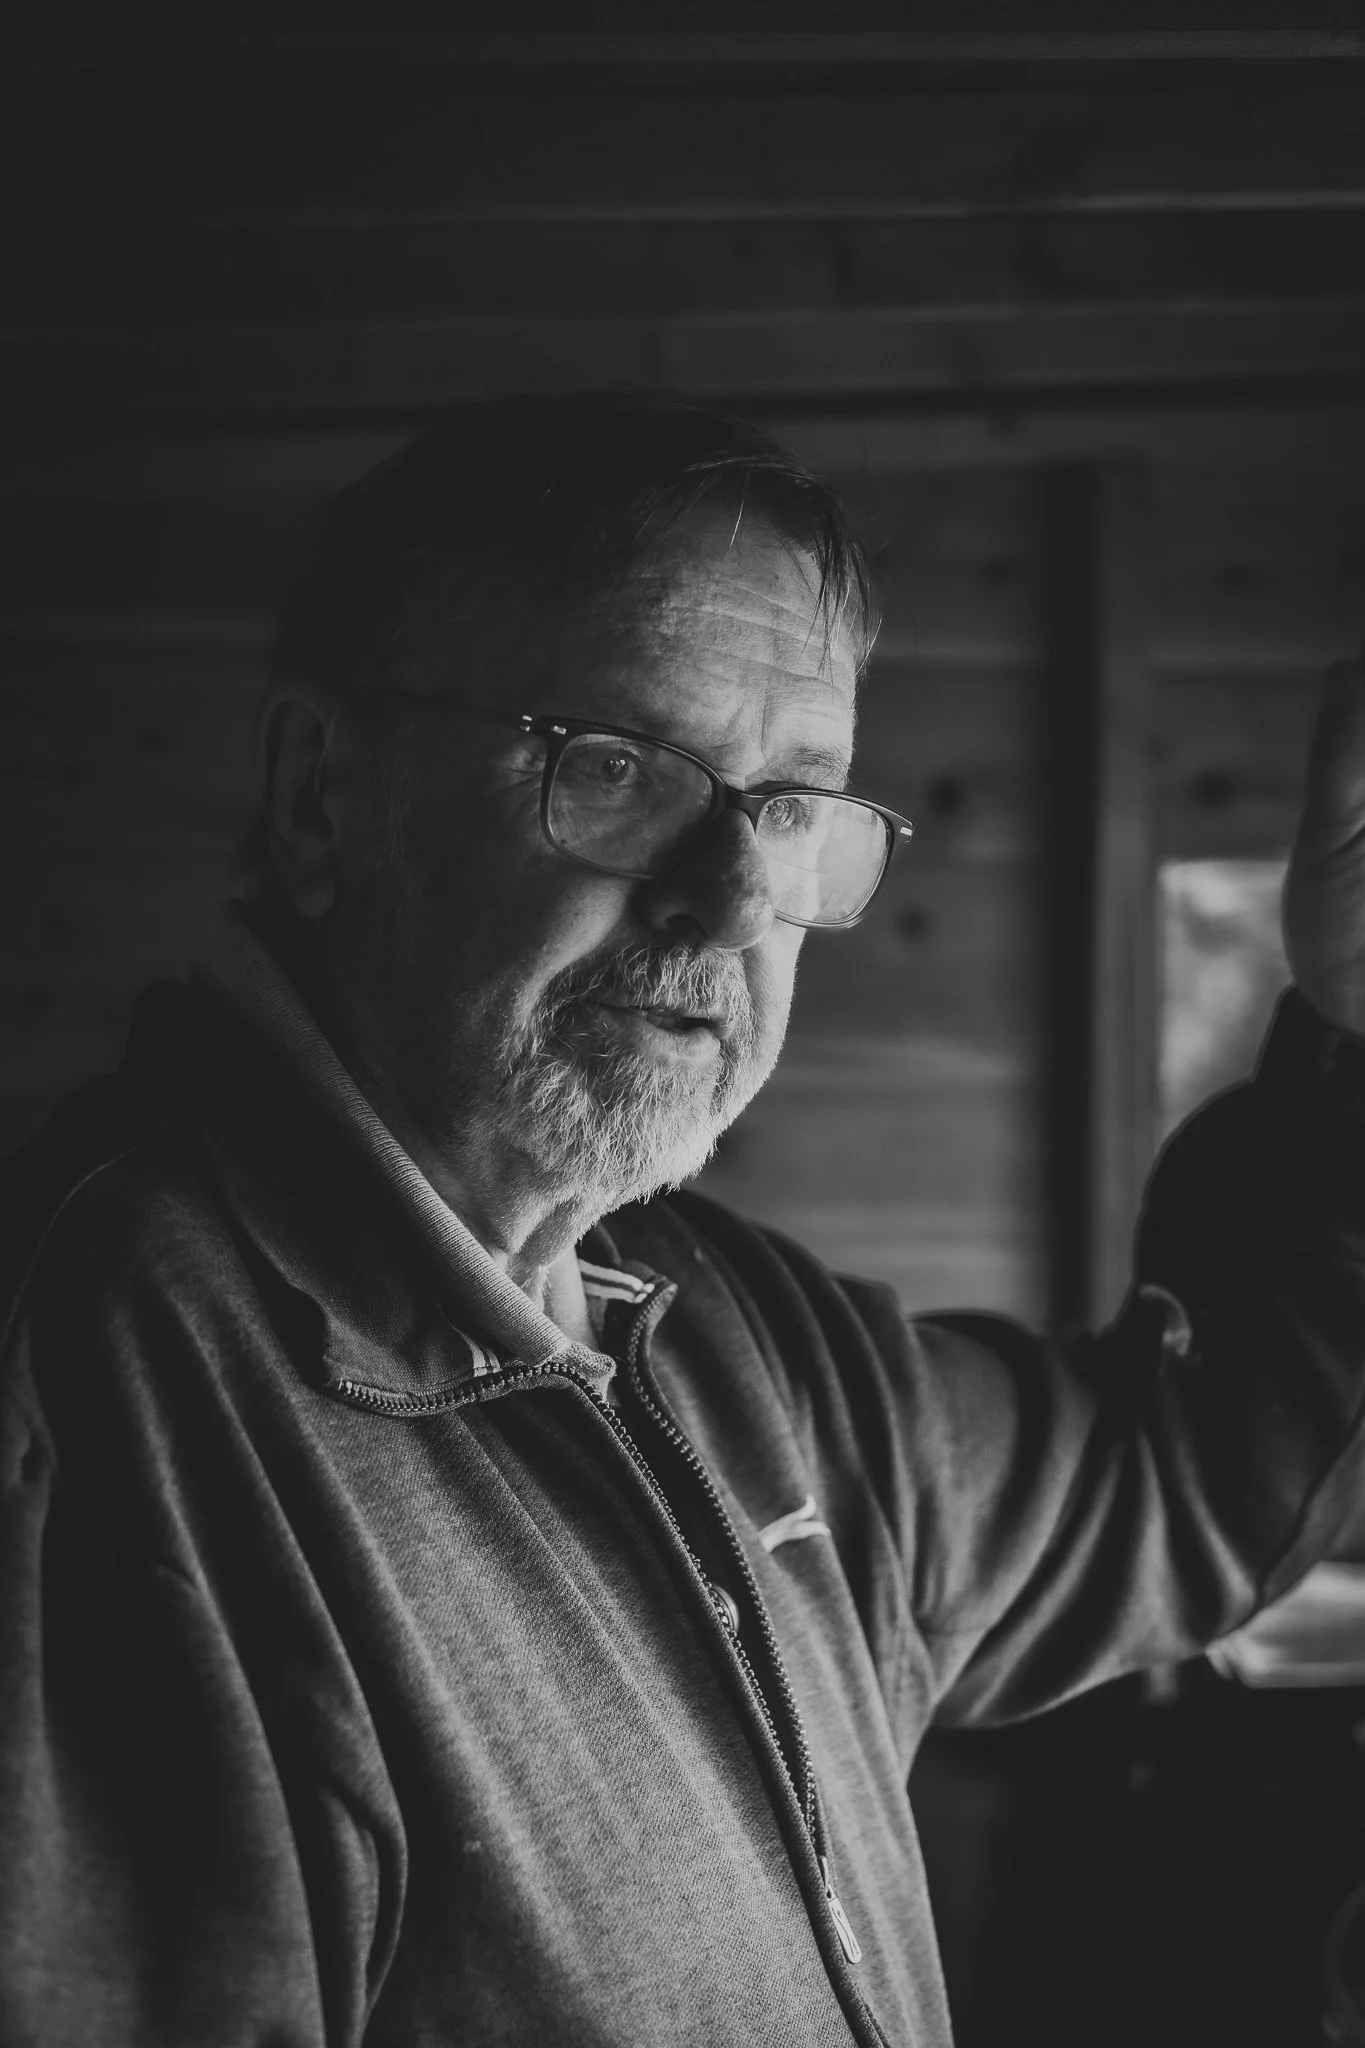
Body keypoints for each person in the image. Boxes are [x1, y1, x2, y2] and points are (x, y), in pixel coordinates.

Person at [3, 391, 1364, 2048]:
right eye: (620, 765)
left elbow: (1188, 1466)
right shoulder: (100, 1399)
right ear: (320, 797)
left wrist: (1353, 1016)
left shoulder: (714, 1315)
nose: (732, 899)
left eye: (791, 805)